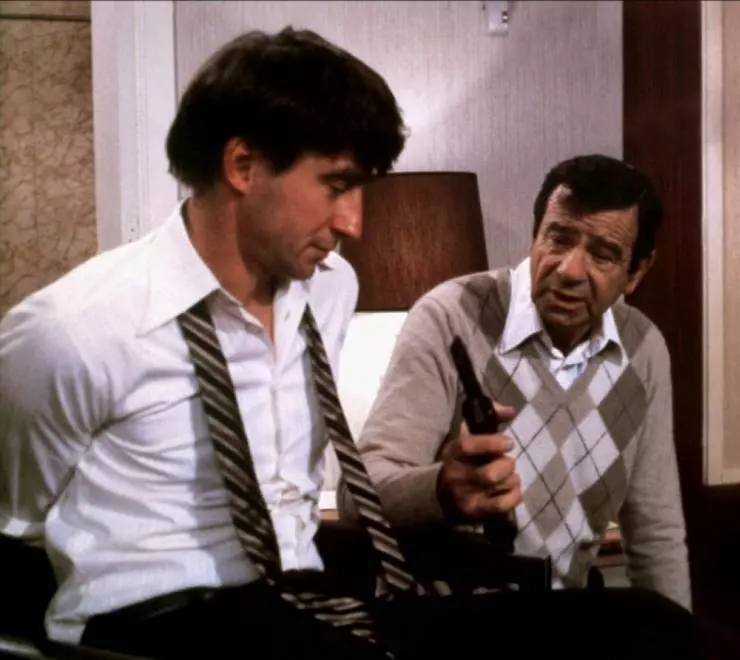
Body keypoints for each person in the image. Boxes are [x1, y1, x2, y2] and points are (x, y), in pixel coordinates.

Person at [0, 25, 699, 658]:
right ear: (243, 165)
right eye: (337, 185)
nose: (355, 222)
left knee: (648, 627)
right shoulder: (73, 332)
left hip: (310, 602)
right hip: (152, 626)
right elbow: (12, 525)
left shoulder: (329, 290)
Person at [339, 153, 697, 647]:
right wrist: (440, 490)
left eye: (602, 254)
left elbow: (656, 535)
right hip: (440, 626)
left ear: (636, 272)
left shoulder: (644, 348)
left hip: (560, 627)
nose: (569, 270)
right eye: (559, 239)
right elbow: (356, 496)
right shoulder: (450, 317)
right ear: (534, 236)